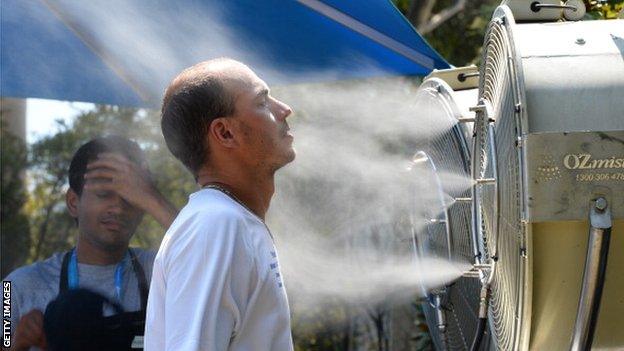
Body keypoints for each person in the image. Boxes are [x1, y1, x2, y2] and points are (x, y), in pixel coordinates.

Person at [144, 58, 295, 350]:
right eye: (263, 102)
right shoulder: (215, 224)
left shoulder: (229, 220)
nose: (284, 109)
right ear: (225, 133)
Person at [4, 136, 178, 351]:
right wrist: (16, 345)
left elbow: (210, 257)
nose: (118, 208)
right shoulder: (14, 288)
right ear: (73, 202)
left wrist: (154, 199)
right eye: (105, 194)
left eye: (131, 197)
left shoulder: (164, 272)